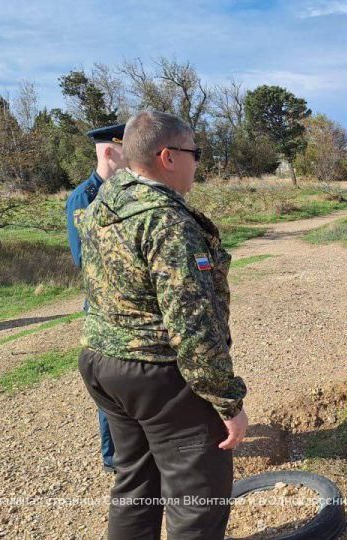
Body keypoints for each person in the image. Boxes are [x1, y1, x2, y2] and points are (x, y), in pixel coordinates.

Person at [75, 110, 248, 540]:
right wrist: (228, 403)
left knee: (135, 486)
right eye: (195, 152)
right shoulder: (167, 222)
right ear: (168, 157)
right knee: (198, 500)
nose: (198, 162)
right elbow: (192, 324)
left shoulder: (105, 202)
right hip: (157, 372)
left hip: (103, 364)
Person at [64, 122, 126, 474]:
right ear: (108, 152)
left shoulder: (123, 191)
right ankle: (113, 457)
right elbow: (84, 257)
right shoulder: (84, 197)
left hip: (128, 301)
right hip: (104, 303)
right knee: (110, 384)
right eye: (124, 149)